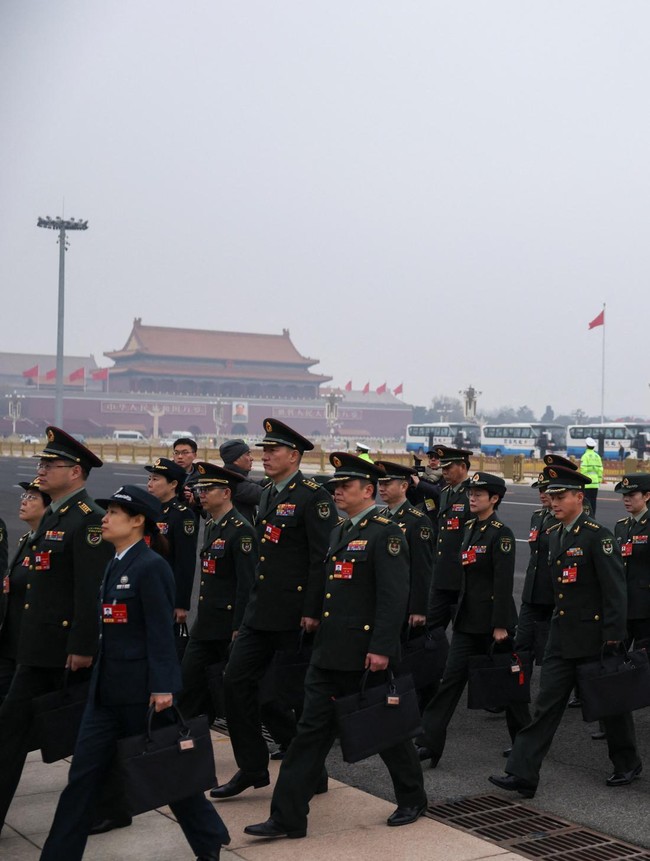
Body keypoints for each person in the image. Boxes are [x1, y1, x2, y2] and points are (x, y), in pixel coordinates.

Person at [39, 486, 229, 861]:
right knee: (81, 779)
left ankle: (209, 839)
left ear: (138, 520)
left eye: (113, 512)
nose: (105, 518)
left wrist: (163, 687)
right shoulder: (115, 562)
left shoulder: (150, 566)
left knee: (167, 772)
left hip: (142, 694)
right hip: (105, 694)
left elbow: (160, 631)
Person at [244, 453, 427, 840]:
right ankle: (288, 817)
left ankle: (413, 797)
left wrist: (381, 648)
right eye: (336, 486)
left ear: (368, 490)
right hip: (329, 652)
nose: (338, 492)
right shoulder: (340, 530)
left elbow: (393, 597)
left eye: (346, 486)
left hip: (365, 655)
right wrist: (312, 617)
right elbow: (328, 586)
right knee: (308, 736)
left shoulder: (386, 533)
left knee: (387, 732)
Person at [489, 465, 642, 798]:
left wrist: (614, 635)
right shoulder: (556, 533)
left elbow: (615, 590)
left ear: (579, 497)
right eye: (552, 496)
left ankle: (627, 762)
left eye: (560, 496)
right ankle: (523, 773)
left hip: (595, 637)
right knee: (545, 706)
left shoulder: (597, 536)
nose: (554, 502)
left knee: (609, 705)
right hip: (561, 636)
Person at [211, 419, 337, 799]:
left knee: (283, 698)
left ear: (294, 456)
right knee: (234, 682)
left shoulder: (313, 497)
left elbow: (321, 558)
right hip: (261, 610)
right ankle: (252, 767)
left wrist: (312, 610)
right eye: (263, 450)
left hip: (294, 614)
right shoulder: (267, 492)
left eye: (272, 451)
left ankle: (311, 770)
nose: (264, 456)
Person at [0, 427, 112, 833]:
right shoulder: (54, 515)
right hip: (38, 647)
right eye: (41, 463)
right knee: (18, 730)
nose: (41, 470)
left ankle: (114, 804)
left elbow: (90, 591)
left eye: (51, 464)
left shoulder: (89, 521)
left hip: (64, 650)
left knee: (84, 733)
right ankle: (113, 804)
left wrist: (82, 646)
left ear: (76, 471)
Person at [416, 473, 529, 767]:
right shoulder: (469, 528)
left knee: (509, 691)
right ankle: (429, 743)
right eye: (471, 493)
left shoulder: (501, 534)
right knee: (450, 683)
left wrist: (501, 625)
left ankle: (524, 747)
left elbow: (503, 583)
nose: (472, 498)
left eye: (479, 494)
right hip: (467, 623)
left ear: (494, 499)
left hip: (494, 625)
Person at [178, 463, 258, 723]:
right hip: (206, 624)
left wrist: (239, 627)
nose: (201, 494)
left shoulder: (242, 531)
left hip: (226, 627)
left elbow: (247, 585)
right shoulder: (214, 525)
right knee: (190, 684)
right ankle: (190, 736)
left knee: (230, 694)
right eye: (200, 489)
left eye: (208, 489)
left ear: (226, 493)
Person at [0, 478, 51, 703]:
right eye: (24, 496)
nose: (24, 501)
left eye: (32, 497)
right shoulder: (26, 539)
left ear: (48, 507)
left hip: (29, 646)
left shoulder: (49, 545)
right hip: (10, 643)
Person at [375, 460, 433, 628]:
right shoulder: (381, 516)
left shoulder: (418, 521)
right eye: (380, 483)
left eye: (387, 484)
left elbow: (422, 568)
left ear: (403, 486)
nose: (381, 488)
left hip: (403, 601)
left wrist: (418, 608)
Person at [145, 457, 198, 624]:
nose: (149, 484)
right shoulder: (148, 511)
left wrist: (180, 603)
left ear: (173, 484)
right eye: (149, 479)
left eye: (155, 479)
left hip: (165, 591)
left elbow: (185, 562)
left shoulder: (182, 515)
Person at [427, 445, 473, 631]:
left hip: (461, 576)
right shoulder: (446, 492)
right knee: (431, 629)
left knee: (462, 631)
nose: (444, 471)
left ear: (462, 467)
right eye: (443, 468)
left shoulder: (472, 494)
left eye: (448, 468)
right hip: (441, 574)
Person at [513, 472, 556, 662]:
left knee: (549, 650)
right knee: (521, 644)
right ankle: (521, 681)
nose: (542, 494)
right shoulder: (537, 517)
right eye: (540, 490)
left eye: (546, 489)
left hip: (552, 596)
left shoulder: (563, 520)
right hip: (531, 593)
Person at [614, 474, 650, 649]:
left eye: (632, 495)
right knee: (616, 657)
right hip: (624, 606)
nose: (626, 499)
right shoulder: (621, 526)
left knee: (642, 658)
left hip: (645, 608)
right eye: (624, 495)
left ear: (647, 496)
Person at [219, 438, 264, 524]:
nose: (251, 458)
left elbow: (253, 483)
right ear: (236, 460)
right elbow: (265, 495)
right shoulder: (235, 482)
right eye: (248, 454)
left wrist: (273, 478)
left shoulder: (229, 475)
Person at [407, 448, 444, 518]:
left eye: (436, 457)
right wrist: (409, 485)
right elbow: (414, 499)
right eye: (431, 456)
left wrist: (420, 484)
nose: (433, 459)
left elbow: (438, 492)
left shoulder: (445, 476)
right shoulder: (424, 474)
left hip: (437, 515)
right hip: (424, 514)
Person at [580, 436, 603, 516]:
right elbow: (600, 470)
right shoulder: (597, 456)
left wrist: (582, 481)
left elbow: (583, 469)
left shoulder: (585, 456)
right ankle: (593, 517)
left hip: (587, 483)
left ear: (586, 446)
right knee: (593, 501)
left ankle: (587, 517)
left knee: (586, 502)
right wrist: (599, 480)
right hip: (595, 483)